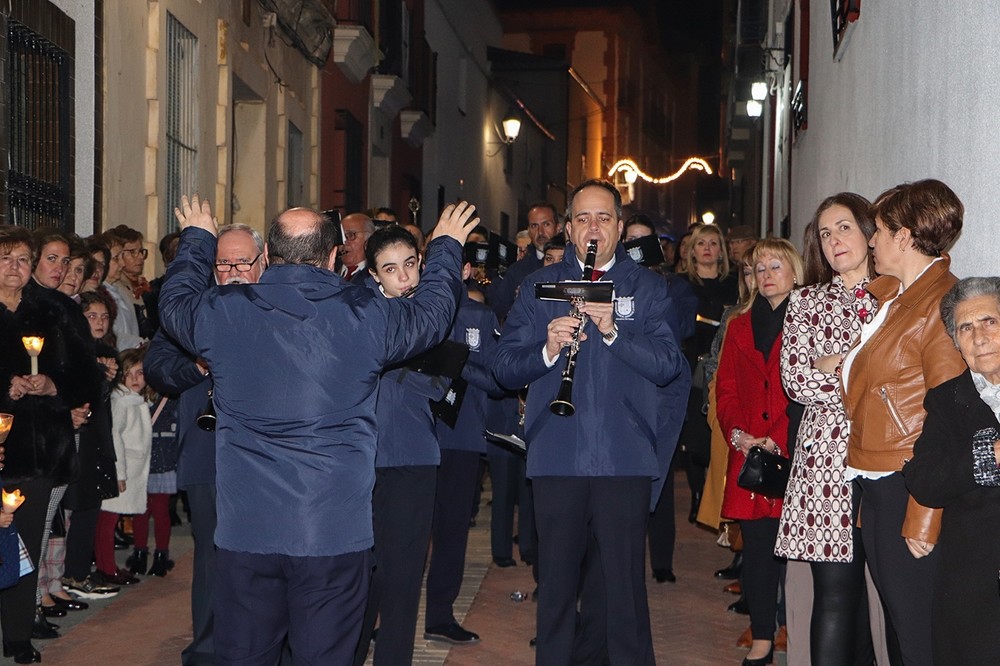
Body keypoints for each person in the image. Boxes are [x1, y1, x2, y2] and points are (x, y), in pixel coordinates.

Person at [159, 195, 479, 665]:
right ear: (332, 258)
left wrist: (198, 240)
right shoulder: (365, 316)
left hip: (247, 530)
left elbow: (174, 304)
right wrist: (447, 246)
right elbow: (430, 317)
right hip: (332, 532)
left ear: (267, 256)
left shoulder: (223, 313)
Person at [494, 179, 685, 665]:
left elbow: (667, 365)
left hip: (624, 456)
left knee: (624, 593)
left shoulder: (646, 286)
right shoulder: (541, 286)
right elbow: (503, 367)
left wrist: (615, 332)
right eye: (583, 219)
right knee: (555, 590)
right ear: (569, 229)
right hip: (557, 453)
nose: (593, 227)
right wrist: (547, 348)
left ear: (620, 228)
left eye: (603, 218)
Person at [841, 178, 966, 666]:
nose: (870, 240)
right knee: (899, 630)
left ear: (905, 236)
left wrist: (923, 511)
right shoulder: (896, 297)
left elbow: (952, 414)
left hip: (909, 484)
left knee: (918, 638)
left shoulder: (939, 302)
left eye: (879, 230)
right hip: (879, 480)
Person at [144, 222, 266, 666]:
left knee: (266, 557)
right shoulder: (189, 310)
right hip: (209, 450)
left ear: (263, 261)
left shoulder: (281, 309)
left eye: (242, 262)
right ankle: (209, 649)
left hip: (269, 457)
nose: (233, 271)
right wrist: (197, 365)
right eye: (223, 263)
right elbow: (157, 368)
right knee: (212, 555)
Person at [777, 193, 878, 666]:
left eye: (843, 227)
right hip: (826, 459)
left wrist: (837, 363)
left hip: (890, 454)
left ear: (868, 230)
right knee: (835, 593)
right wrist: (861, 368)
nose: (834, 240)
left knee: (885, 598)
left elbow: (901, 378)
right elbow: (797, 380)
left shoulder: (898, 296)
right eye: (824, 233)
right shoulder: (806, 301)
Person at [0, 225, 102, 664]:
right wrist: (6, 390)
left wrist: (52, 387)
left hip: (38, 451)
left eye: (23, 259)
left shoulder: (56, 310)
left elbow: (88, 377)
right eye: (5, 258)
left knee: (25, 547)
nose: (15, 267)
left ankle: (18, 636)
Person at [352, 226, 448, 665]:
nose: (404, 278)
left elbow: (445, 383)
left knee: (405, 577)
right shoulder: (357, 313)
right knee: (357, 576)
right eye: (391, 270)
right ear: (374, 276)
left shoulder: (437, 312)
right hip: (360, 462)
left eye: (410, 265)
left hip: (413, 458)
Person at [903, 277, 1000, 664]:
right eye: (965, 327)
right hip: (974, 585)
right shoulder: (947, 401)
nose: (978, 337)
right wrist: (986, 456)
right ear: (956, 343)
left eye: (990, 321)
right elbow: (924, 479)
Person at [716, 238, 803, 666]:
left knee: (795, 554)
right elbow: (726, 388)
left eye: (776, 265)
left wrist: (779, 437)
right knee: (758, 551)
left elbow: (808, 392)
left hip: (795, 454)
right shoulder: (739, 325)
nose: (767, 274)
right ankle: (763, 638)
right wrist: (738, 433)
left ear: (794, 272)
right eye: (759, 267)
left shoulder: (810, 321)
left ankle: (792, 627)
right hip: (750, 454)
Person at [424, 247, 501, 646]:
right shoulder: (411, 313)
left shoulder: (481, 317)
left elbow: (496, 378)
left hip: (463, 436)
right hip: (416, 440)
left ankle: (440, 615)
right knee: (405, 537)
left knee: (452, 533)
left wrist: (453, 361)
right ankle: (382, 617)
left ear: (467, 270)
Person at [682, 223, 740, 522]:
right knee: (695, 438)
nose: (707, 248)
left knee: (718, 430)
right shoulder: (681, 284)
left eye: (713, 243)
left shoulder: (734, 283)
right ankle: (696, 493)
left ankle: (715, 495)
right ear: (692, 251)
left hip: (723, 364)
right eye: (701, 243)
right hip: (691, 363)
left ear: (722, 250)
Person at [95, 348, 151, 587]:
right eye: (130, 374)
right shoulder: (121, 401)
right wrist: (119, 472)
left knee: (111, 520)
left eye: (140, 373)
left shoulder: (135, 400)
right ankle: (106, 568)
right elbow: (114, 436)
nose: (136, 379)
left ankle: (109, 566)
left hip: (132, 469)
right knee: (106, 521)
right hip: (122, 469)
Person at [493, 201, 563, 318]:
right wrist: (519, 301)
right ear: (529, 231)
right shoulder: (517, 271)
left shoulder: (576, 264)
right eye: (534, 226)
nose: (540, 232)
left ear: (558, 228)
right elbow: (498, 311)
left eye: (546, 224)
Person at [340, 212, 376, 282]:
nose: (344, 242)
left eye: (350, 235)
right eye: (341, 236)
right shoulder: (328, 270)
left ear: (369, 238)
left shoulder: (375, 275)